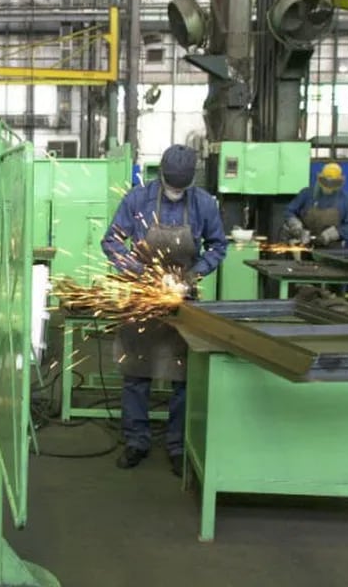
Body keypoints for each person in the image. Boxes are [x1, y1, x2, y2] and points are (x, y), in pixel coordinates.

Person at [100, 144, 227, 477]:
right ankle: (136, 440)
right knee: (136, 372)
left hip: (183, 297)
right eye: (171, 186)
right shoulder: (137, 199)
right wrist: (141, 273)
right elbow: (111, 241)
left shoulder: (203, 203)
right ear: (162, 176)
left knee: (183, 376)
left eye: (179, 188)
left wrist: (193, 274)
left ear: (189, 182)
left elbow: (218, 246)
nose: (174, 193)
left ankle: (176, 443)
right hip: (142, 294)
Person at [282, 162, 348, 247]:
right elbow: (289, 211)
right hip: (303, 244)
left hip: (332, 249)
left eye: (332, 183)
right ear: (321, 179)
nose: (329, 187)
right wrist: (297, 227)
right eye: (326, 182)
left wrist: (329, 235)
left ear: (339, 182)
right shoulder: (306, 194)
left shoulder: (346, 199)